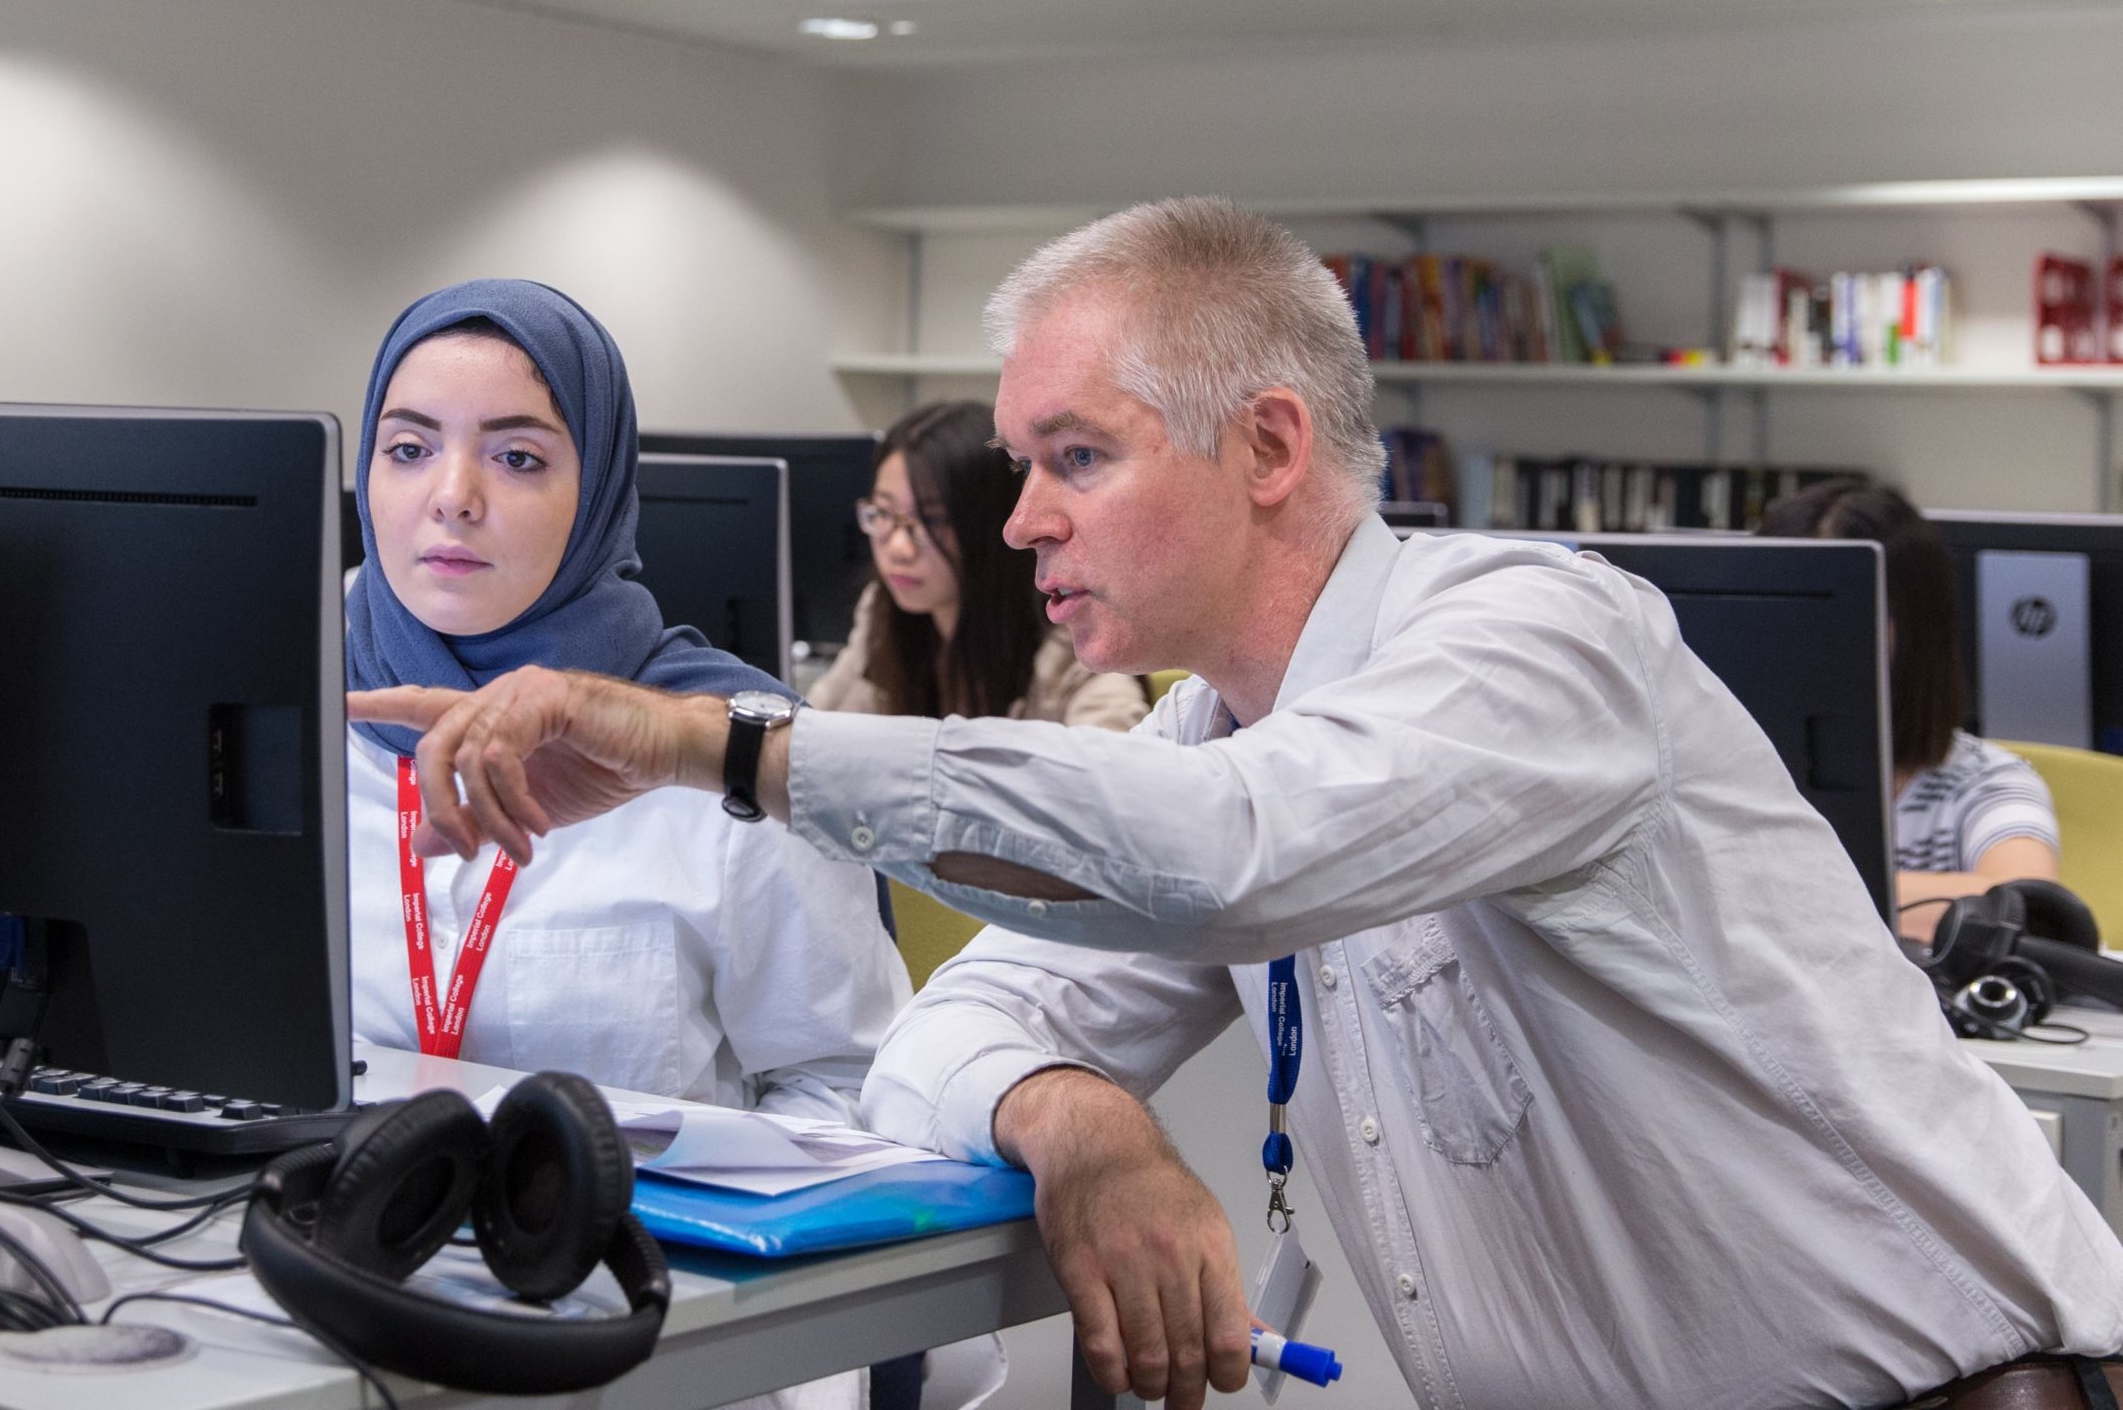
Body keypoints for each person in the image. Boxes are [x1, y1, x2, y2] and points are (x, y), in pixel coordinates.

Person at [355, 200, 2123, 1410]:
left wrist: (714, 747)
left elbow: (1241, 852)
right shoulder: (1218, 730)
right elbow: (951, 1029)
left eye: (1076, 459)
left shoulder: (1535, 637)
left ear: (1270, 450)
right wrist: (1082, 1123)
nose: (1022, 520)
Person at [345, 279, 908, 1117]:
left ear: (600, 492)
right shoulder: (276, 727)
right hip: (312, 1233)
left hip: (630, 1244)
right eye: (409, 449)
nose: (452, 495)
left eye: (517, 458)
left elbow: (847, 1089)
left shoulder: (736, 755)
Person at [1759, 476, 2060, 940]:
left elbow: (2027, 906)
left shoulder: (1982, 782)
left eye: (1833, 611)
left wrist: (1769, 895)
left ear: (1917, 627)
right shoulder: (1718, 767)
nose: (1805, 641)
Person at [809, 400, 1147, 732]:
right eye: (883, 514)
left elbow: (1115, 764)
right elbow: (816, 730)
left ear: (994, 523)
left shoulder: (1073, 638)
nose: (898, 548)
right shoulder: (884, 611)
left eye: (932, 520)